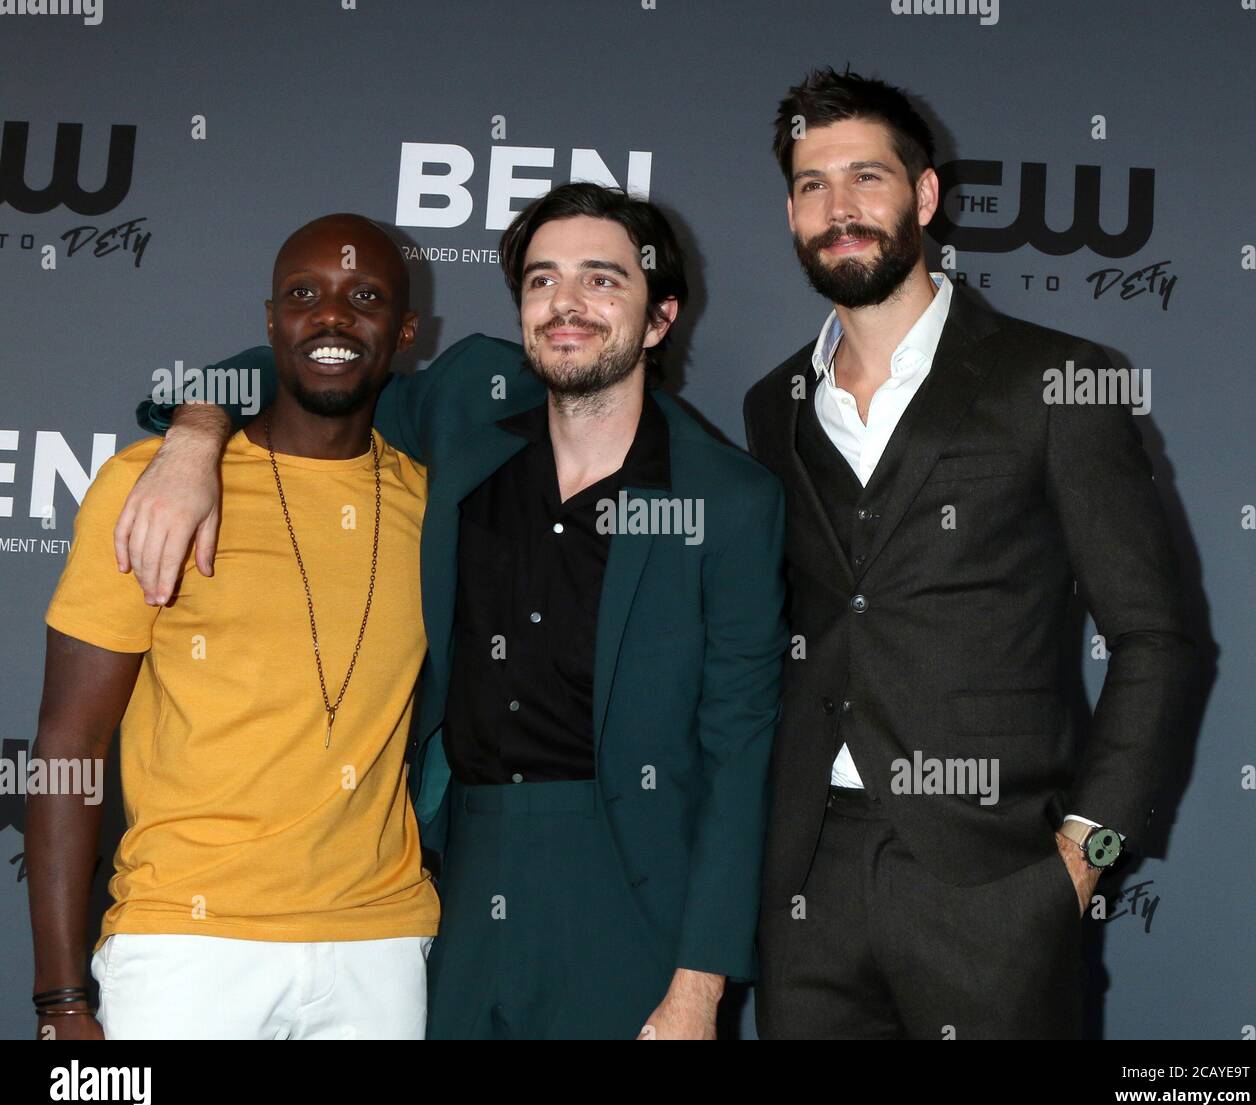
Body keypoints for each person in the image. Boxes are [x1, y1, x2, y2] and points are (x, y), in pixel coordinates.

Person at [115, 183, 787, 1039]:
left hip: (633, 887)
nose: (565, 305)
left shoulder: (728, 500)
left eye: (602, 281)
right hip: (461, 868)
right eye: (542, 281)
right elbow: (309, 364)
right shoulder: (471, 402)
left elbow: (740, 758)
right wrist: (196, 431)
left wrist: (700, 988)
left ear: (659, 318)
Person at [745, 68, 1198, 1039]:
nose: (840, 207)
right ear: (789, 210)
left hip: (997, 880)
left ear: (923, 195)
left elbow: (1156, 638)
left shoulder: (1058, 380)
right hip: (805, 881)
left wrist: (1083, 856)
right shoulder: (772, 405)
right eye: (812, 184)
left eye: (866, 177)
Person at [27, 213, 439, 1039]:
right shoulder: (153, 487)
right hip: (184, 947)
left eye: (363, 296)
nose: (330, 317)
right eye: (303, 295)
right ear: (270, 321)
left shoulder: (432, 507)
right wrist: (61, 1002)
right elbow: (69, 747)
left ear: (404, 332)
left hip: (379, 947)